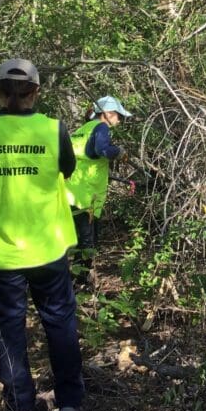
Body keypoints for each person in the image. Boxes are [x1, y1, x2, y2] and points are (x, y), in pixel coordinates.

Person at [0, 58, 85, 411]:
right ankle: (70, 402)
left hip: (1, 250)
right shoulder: (53, 129)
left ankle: (20, 408)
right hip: (47, 245)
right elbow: (67, 169)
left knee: (8, 328)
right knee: (59, 323)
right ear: (36, 92)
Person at [64, 96, 132, 282]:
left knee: (76, 240)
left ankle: (74, 278)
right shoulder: (101, 127)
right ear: (107, 114)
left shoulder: (82, 130)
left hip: (70, 193)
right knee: (88, 242)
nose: (120, 120)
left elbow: (85, 158)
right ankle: (80, 282)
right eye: (118, 116)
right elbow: (102, 150)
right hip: (86, 197)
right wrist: (118, 151)